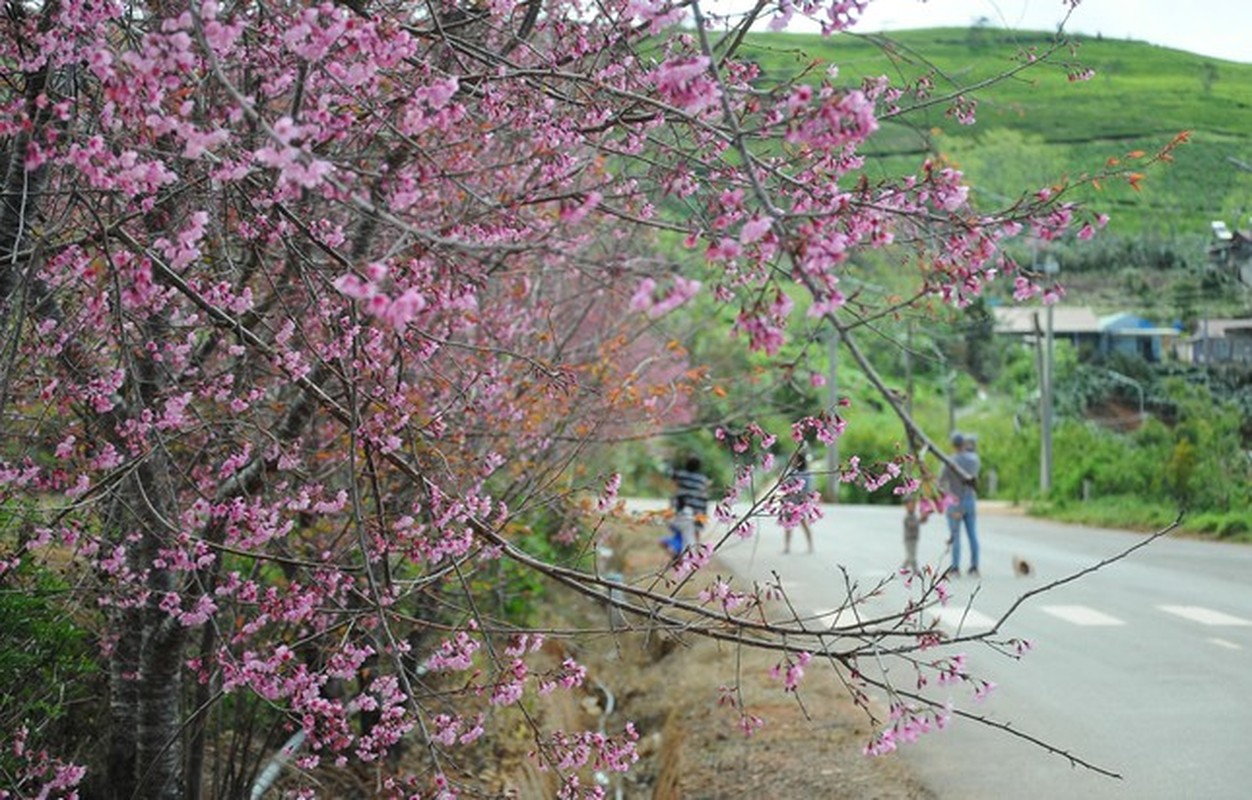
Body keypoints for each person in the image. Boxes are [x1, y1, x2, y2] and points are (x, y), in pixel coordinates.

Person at [939, 431, 981, 578]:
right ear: (964, 444)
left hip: (954, 501)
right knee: (973, 535)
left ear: (952, 445)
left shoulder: (949, 461)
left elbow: (941, 482)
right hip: (970, 499)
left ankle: (955, 568)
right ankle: (974, 566)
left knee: (955, 536)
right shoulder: (974, 460)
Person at [671, 455, 710, 545]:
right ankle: (696, 552)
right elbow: (705, 492)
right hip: (699, 510)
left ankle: (679, 550)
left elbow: (673, 478)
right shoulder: (702, 479)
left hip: (683, 508)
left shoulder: (681, 475)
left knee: (682, 531)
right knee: (696, 532)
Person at [782, 453, 815, 554]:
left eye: (794, 458)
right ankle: (787, 547)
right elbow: (784, 484)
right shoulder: (789, 471)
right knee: (788, 525)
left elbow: (808, 489)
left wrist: (805, 501)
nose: (792, 460)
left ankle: (810, 546)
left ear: (800, 460)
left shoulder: (806, 473)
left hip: (800, 503)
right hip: (789, 502)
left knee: (804, 524)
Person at [901, 494, 928, 573]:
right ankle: (915, 570)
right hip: (908, 539)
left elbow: (919, 522)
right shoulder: (907, 517)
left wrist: (924, 518)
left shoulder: (914, 515)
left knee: (910, 555)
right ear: (906, 506)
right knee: (912, 556)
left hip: (914, 538)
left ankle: (903, 568)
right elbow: (912, 525)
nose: (912, 506)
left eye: (914, 504)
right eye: (910, 505)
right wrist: (920, 519)